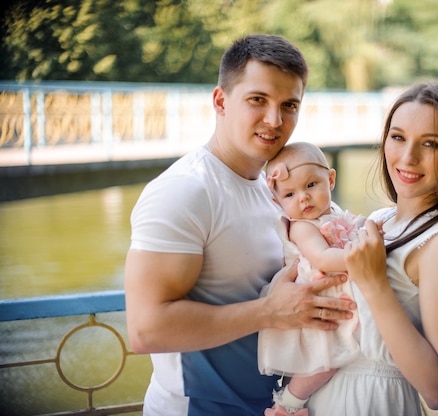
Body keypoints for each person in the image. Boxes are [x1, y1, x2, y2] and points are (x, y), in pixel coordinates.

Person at [123, 34, 356, 416]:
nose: (274, 120)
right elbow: (147, 329)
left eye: (289, 105)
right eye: (257, 100)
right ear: (220, 101)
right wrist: (269, 311)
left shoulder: (282, 190)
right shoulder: (185, 190)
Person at [305, 82, 438, 415]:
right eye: (398, 137)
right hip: (326, 395)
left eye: (430, 144)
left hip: (374, 402)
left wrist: (375, 285)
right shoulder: (381, 220)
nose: (408, 157)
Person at [258, 142, 365, 415]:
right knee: (325, 361)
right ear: (277, 201)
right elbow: (324, 258)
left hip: (331, 295)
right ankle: (288, 404)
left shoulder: (332, 214)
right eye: (290, 193)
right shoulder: (302, 227)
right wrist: (366, 255)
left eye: (311, 186)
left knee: (344, 354)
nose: (303, 198)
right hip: (312, 300)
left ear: (330, 179)